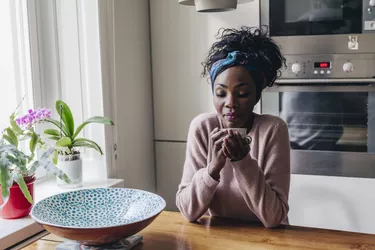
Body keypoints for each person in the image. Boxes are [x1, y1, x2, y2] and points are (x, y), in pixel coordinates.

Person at [175, 26, 291, 228]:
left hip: (270, 241)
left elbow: (274, 217)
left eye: (243, 93)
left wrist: (243, 161)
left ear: (256, 95)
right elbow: (187, 211)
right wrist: (212, 169)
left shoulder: (273, 130)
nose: (230, 103)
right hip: (220, 238)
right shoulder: (203, 128)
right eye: (221, 93)